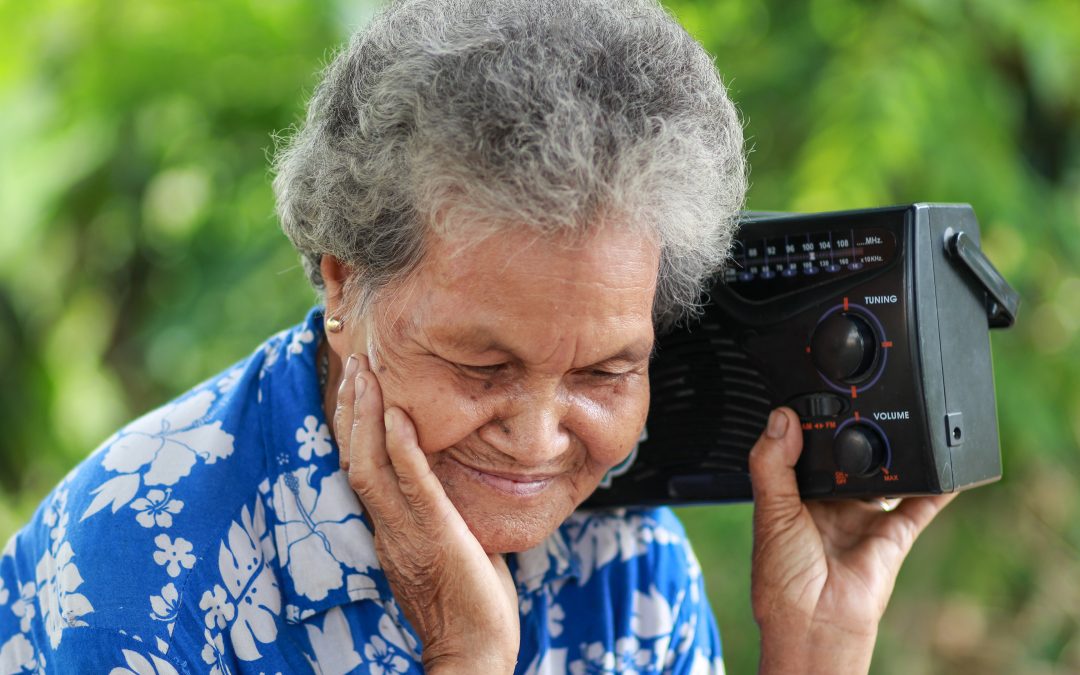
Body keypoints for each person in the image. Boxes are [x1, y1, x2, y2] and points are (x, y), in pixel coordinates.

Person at [0, 0, 953, 672]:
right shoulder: (133, 569)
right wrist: (467, 657)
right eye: (482, 365)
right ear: (343, 279)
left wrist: (814, 649)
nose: (542, 440)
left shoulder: (622, 557)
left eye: (606, 371)